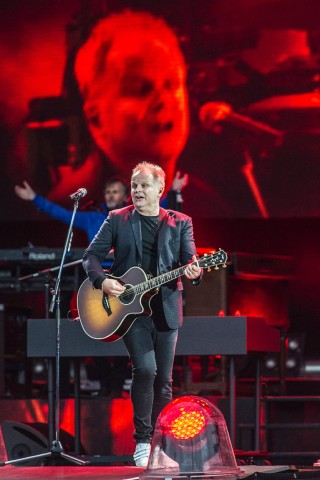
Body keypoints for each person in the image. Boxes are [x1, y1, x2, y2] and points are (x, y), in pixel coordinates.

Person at [82, 161, 202, 466]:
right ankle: (143, 442)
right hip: (130, 309)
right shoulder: (117, 219)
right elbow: (91, 257)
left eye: (143, 185)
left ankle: (162, 446)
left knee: (164, 379)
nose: (137, 190)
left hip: (166, 308)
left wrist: (195, 273)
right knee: (145, 370)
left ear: (160, 190)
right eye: (134, 185)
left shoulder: (181, 222)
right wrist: (104, 280)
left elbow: (191, 262)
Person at [45, 10, 189, 203]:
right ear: (96, 118)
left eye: (171, 84)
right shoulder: (67, 213)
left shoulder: (206, 198)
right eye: (140, 89)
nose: (164, 100)